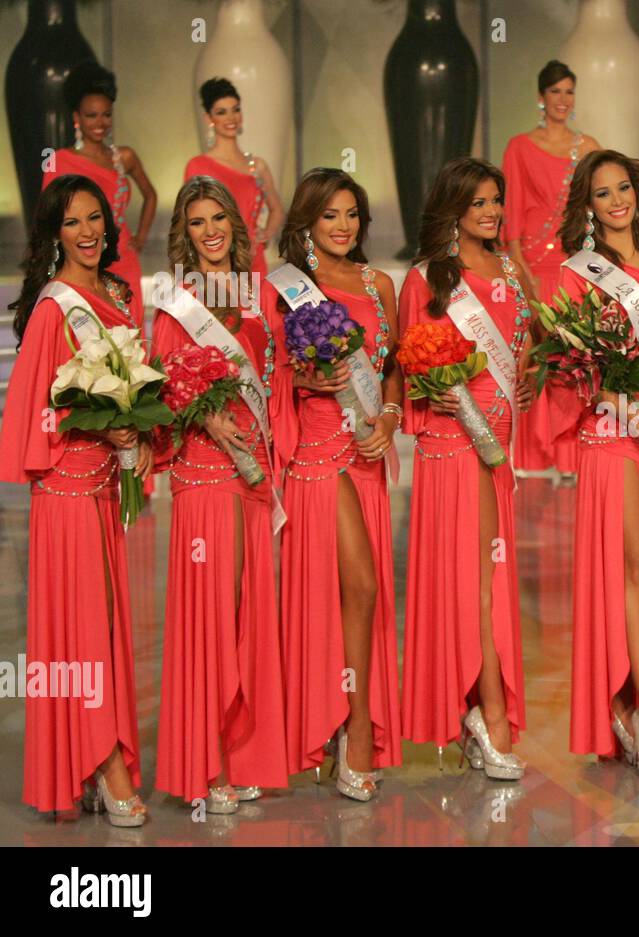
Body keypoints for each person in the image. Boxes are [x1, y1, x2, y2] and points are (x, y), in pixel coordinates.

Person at [0, 176, 152, 824]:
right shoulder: (51, 308)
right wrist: (97, 424)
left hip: (105, 490)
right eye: (73, 223)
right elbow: (35, 414)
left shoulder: (116, 295)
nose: (88, 232)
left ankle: (97, 755)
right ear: (53, 235)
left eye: (95, 219)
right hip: (66, 493)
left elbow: (135, 385)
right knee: (87, 631)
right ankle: (105, 763)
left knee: (113, 628)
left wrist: (138, 432)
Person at [553, 150, 639, 777]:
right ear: (587, 204)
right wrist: (610, 395)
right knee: (633, 562)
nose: (617, 201)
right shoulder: (577, 272)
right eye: (603, 193)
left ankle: (629, 696)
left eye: (624, 188)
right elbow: (564, 366)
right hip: (611, 434)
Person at [152, 176, 288, 813]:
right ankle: (204, 764)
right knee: (209, 612)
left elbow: (277, 375)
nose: (211, 231)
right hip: (204, 472)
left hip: (254, 471)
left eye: (220, 220)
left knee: (246, 611)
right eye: (199, 222)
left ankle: (241, 752)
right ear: (187, 232)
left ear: (236, 225)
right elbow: (164, 381)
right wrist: (205, 418)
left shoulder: (258, 295)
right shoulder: (176, 303)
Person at [268, 168, 403, 799]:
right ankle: (350, 728)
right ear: (306, 224)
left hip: (369, 453)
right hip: (317, 458)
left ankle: (342, 718)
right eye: (330, 216)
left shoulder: (380, 285)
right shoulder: (290, 290)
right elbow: (269, 376)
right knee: (361, 586)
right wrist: (300, 384)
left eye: (352, 214)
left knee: (352, 600)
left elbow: (394, 366)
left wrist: (394, 416)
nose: (343, 226)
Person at [399, 158, 536, 780]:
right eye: (478, 203)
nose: (490, 212)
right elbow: (415, 367)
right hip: (454, 444)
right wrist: (449, 399)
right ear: (452, 208)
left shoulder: (512, 268)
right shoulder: (427, 278)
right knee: (476, 582)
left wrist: (529, 377)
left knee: (492, 579)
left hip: (500, 443)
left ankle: (482, 707)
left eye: (495, 201)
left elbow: (524, 345)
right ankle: (489, 713)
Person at [501, 60, 600, 476]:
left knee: (576, 355)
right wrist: (520, 270)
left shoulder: (589, 148)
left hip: (577, 265)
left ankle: (569, 453)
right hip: (534, 265)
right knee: (536, 352)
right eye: (555, 92)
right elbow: (511, 213)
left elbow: (598, 209)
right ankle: (532, 453)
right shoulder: (520, 147)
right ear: (540, 97)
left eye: (569, 91)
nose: (563, 100)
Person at [41, 62, 155, 324]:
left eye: (106, 114)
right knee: (90, 345)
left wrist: (141, 237)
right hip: (81, 260)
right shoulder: (59, 161)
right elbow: (48, 217)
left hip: (123, 259)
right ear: (76, 118)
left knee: (129, 339)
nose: (100, 122)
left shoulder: (124, 157)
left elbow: (151, 195)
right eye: (91, 115)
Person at [184, 77, 286, 276]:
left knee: (256, 307)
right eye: (221, 112)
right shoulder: (198, 167)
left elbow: (278, 210)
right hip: (215, 263)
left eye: (235, 109)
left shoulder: (257, 166)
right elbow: (189, 221)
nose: (231, 117)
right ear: (209, 119)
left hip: (253, 262)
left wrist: (263, 236)